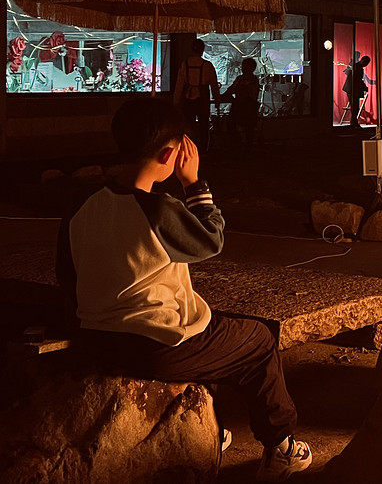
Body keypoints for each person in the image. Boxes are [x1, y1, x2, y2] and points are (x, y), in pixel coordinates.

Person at [54, 97, 312, 482]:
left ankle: (214, 429)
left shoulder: (84, 204)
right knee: (256, 341)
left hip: (98, 337)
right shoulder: (158, 209)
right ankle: (282, 445)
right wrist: (194, 183)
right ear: (171, 153)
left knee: (216, 333)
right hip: (157, 346)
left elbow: (67, 275)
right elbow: (210, 239)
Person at [173, 39, 220, 153]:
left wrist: (176, 101)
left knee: (188, 125)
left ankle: (189, 150)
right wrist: (217, 99)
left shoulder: (185, 64)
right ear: (203, 50)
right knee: (204, 125)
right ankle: (203, 150)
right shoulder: (207, 65)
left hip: (188, 97)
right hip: (203, 97)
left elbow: (179, 85)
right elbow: (214, 84)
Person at [221, 57, 260, 149]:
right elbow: (231, 90)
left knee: (248, 130)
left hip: (248, 109)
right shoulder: (240, 79)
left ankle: (246, 148)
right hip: (238, 107)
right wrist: (222, 96)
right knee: (232, 126)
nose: (243, 69)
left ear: (251, 68)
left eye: (245, 67)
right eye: (243, 66)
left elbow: (251, 96)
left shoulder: (253, 80)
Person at [342, 52, 371, 127]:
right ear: (362, 60)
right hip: (352, 89)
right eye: (366, 63)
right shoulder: (357, 67)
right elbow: (358, 79)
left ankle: (354, 122)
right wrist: (364, 87)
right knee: (355, 107)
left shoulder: (356, 66)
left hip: (351, 88)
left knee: (354, 107)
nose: (366, 65)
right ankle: (354, 123)